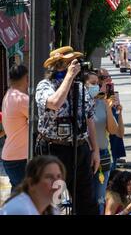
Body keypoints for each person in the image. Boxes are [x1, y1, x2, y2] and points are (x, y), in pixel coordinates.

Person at [35, 46, 100, 215]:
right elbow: (55, 103)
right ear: (57, 65)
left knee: (87, 203)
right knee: (52, 202)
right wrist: (69, 77)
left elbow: (89, 118)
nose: (74, 66)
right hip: (55, 150)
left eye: (74, 62)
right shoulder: (45, 86)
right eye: (69, 63)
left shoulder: (80, 88)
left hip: (79, 149)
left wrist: (95, 151)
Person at [85, 71, 123, 215]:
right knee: (87, 199)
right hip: (84, 156)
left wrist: (109, 107)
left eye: (98, 83)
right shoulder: (79, 104)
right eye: (93, 83)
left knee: (100, 199)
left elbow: (114, 131)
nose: (97, 86)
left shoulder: (102, 102)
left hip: (103, 156)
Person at [0, 155, 65, 215]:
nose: (57, 183)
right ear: (31, 183)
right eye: (49, 177)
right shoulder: (20, 210)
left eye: (59, 176)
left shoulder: (51, 209)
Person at [1, 65, 29, 191]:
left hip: (12, 156)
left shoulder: (9, 95)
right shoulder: (21, 99)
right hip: (19, 158)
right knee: (24, 198)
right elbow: (40, 120)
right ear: (26, 78)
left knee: (18, 197)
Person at [98, 68, 127, 170]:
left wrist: (119, 112)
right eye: (104, 78)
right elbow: (94, 101)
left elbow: (120, 132)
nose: (108, 79)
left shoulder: (111, 96)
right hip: (102, 148)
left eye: (109, 77)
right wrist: (103, 92)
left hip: (113, 146)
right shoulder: (96, 96)